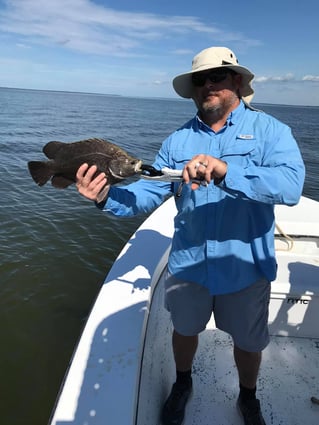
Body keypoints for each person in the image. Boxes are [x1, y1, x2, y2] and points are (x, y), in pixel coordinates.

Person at [76, 47, 305, 425]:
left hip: (244, 268)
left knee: (248, 343)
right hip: (188, 266)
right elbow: (148, 192)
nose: (207, 84)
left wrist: (225, 171)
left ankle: (248, 396)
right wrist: (104, 195)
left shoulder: (272, 131)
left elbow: (290, 185)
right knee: (184, 331)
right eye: (200, 79)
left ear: (237, 81)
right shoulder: (176, 141)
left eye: (217, 76)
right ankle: (183, 383)